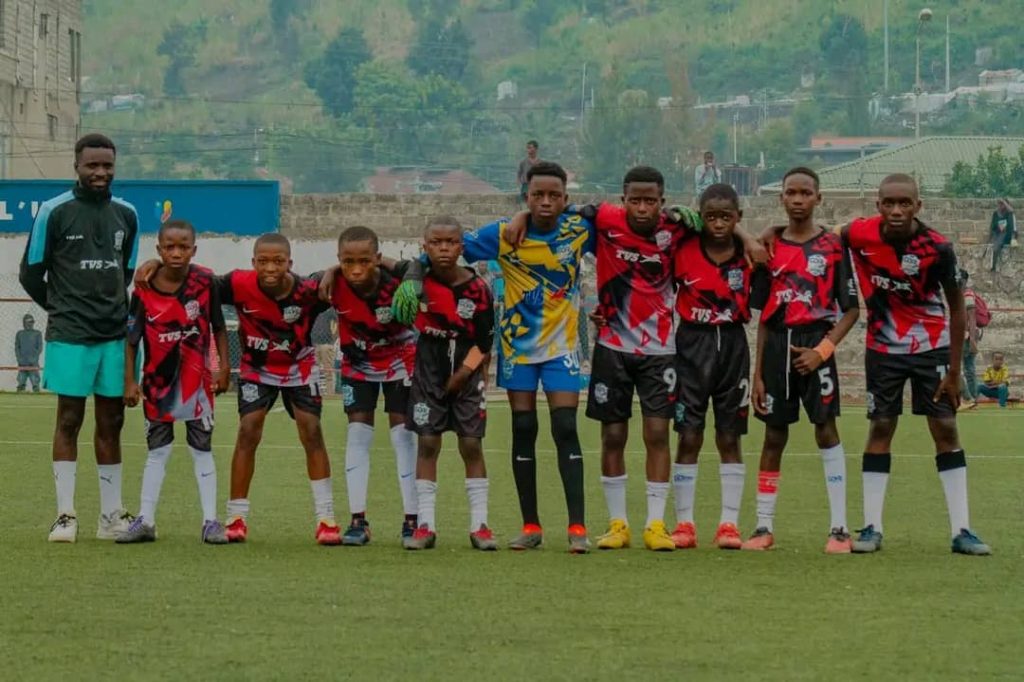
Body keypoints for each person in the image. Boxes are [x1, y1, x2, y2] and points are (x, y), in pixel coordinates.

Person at [394, 161, 594, 554]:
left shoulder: (580, 230)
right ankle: (531, 526)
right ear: (526, 196)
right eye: (537, 196)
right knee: (523, 430)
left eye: (554, 195)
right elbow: (442, 247)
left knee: (566, 429)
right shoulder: (503, 235)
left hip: (562, 348)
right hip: (517, 349)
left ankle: (577, 527)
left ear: (566, 199)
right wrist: (414, 273)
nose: (546, 202)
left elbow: (619, 234)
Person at [135, 233, 342, 545]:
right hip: (257, 370)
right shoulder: (236, 284)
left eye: (278, 261)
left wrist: (333, 271)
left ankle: (326, 519)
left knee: (311, 430)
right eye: (263, 261)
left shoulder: (307, 290)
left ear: (290, 263)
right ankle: (236, 517)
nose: (270, 268)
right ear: (253, 263)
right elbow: (193, 276)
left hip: (299, 368)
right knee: (248, 430)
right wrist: (156, 264)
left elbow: (342, 277)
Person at [843, 173, 990, 555]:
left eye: (904, 203)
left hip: (931, 349)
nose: (896, 210)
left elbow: (958, 306)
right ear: (877, 205)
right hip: (883, 349)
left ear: (917, 206)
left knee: (944, 427)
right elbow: (822, 236)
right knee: (881, 427)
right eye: (888, 202)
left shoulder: (937, 247)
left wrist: (956, 371)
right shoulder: (859, 233)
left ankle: (962, 530)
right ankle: (871, 528)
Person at [19, 133, 139, 543]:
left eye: (107, 165)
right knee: (68, 419)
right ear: (77, 165)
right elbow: (31, 272)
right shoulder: (53, 211)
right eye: (93, 165)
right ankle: (65, 515)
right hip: (70, 334)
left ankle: (111, 517)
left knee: (112, 423)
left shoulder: (128, 214)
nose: (101, 173)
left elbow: (126, 273)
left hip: (112, 335)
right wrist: (62, 308)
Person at [745, 167, 860, 553]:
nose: (797, 199)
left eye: (805, 193)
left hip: (816, 344)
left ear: (818, 198)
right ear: (781, 198)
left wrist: (822, 352)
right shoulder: (770, 248)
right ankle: (762, 526)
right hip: (778, 345)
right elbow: (762, 317)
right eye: (790, 192)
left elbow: (851, 310)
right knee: (773, 435)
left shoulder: (832, 246)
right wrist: (758, 373)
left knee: (825, 430)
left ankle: (840, 529)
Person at [116, 220, 231, 544]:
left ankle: (210, 521)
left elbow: (220, 328)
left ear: (194, 250)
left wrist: (223, 367)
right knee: (157, 452)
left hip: (197, 387)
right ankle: (146, 520)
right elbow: (131, 339)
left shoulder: (206, 281)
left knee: (202, 450)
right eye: (170, 247)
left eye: (184, 247)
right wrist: (130, 381)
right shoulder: (144, 286)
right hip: (157, 387)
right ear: (159, 250)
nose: (177, 252)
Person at [671, 183, 763, 550]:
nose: (719, 223)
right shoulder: (683, 249)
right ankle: (684, 523)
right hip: (691, 344)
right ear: (701, 217)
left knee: (729, 435)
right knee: (689, 434)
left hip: (733, 345)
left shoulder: (751, 254)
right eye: (711, 217)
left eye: (727, 217)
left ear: (738, 217)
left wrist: (746, 236)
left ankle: (728, 523)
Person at [317, 226, 419, 545]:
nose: (356, 269)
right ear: (338, 260)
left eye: (365, 260)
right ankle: (358, 521)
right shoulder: (332, 283)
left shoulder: (398, 282)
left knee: (403, 435)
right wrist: (332, 271)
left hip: (401, 362)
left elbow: (418, 267)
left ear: (378, 258)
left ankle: (412, 521)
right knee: (358, 433)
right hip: (358, 364)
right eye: (347, 262)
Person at [402, 216, 496, 551]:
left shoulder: (478, 288)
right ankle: (425, 525)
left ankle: (480, 525)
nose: (444, 248)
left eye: (451, 242)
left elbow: (485, 341)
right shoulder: (415, 279)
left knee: (471, 445)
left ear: (462, 246)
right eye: (436, 243)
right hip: (428, 373)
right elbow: (375, 262)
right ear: (425, 246)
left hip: (466, 376)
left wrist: (463, 374)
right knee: (428, 443)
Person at [961, 269, 980, 409]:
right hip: (967, 335)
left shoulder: (967, 294)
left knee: (952, 365)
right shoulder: (964, 294)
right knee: (970, 369)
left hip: (966, 336)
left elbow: (972, 317)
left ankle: (968, 398)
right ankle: (973, 400)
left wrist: (972, 339)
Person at [15, 314, 43, 392]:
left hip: (33, 363)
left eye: (31, 322)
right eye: (28, 322)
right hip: (22, 362)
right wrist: (19, 358)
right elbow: (17, 347)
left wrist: (34, 358)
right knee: (21, 383)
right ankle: (19, 397)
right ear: (24, 323)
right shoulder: (20, 334)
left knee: (35, 384)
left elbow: (40, 347)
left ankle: (37, 397)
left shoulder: (37, 333)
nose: (30, 324)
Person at [989, 199, 1016, 272]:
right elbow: (993, 226)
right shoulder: (995, 213)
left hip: (1006, 234)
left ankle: (994, 266)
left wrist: (1005, 202)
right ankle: (993, 266)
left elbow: (1012, 211)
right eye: (999, 204)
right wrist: (999, 226)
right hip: (997, 233)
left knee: (998, 244)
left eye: (1002, 204)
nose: (1000, 206)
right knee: (995, 246)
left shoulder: (1008, 213)